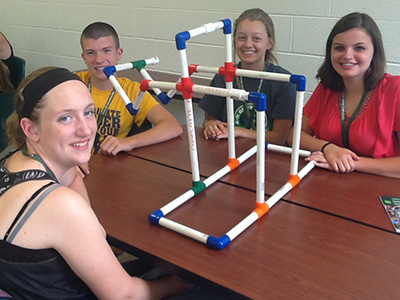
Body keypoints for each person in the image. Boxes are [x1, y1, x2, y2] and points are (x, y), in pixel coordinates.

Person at [0, 67, 191, 299]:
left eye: (89, 113)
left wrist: (71, 162)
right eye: (66, 117)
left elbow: (95, 235)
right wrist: (179, 285)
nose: (86, 129)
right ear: (30, 129)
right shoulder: (58, 203)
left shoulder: (10, 162)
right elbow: (124, 296)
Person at [289, 12, 400, 179]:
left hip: (378, 189)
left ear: (374, 52)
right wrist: (328, 148)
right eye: (339, 47)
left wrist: (349, 163)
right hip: (330, 184)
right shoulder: (327, 88)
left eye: (359, 48)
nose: (347, 55)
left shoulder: (395, 89)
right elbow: (294, 135)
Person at [77, 22, 183, 157]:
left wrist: (129, 142)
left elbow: (172, 126)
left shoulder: (132, 91)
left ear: (119, 53)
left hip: (106, 165)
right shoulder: (72, 83)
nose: (99, 60)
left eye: (106, 51)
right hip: (72, 165)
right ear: (84, 57)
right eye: (91, 53)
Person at [198, 8, 296, 145]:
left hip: (269, 157)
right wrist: (211, 125)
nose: (248, 44)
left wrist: (238, 131)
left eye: (256, 38)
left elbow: (279, 138)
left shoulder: (283, 81)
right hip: (228, 152)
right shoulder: (223, 77)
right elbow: (209, 120)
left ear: (269, 43)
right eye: (242, 38)